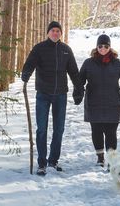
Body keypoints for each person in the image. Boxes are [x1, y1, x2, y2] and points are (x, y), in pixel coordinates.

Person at [21, 21, 83, 176]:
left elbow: (74, 72)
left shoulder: (66, 50)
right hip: (43, 94)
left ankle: (53, 161)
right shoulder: (39, 48)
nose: (55, 33)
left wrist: (78, 90)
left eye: (58, 31)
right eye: (53, 30)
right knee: (41, 129)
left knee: (59, 129)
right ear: (48, 32)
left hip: (60, 95)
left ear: (61, 33)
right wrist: (26, 74)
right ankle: (42, 163)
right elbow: (29, 63)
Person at [79, 34, 120, 167]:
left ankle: (111, 160)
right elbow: (79, 81)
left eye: (106, 46)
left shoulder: (117, 63)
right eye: (100, 46)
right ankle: (100, 158)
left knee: (111, 133)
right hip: (93, 104)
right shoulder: (88, 63)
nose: (103, 48)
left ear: (110, 47)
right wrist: (79, 94)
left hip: (113, 105)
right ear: (96, 47)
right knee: (96, 132)